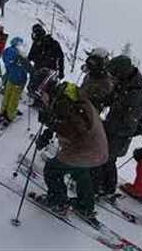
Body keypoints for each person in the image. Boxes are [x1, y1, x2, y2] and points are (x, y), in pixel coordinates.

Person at [34, 71, 109, 218]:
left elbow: (76, 130)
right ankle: (85, 205)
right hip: (97, 148)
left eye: (40, 93)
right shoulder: (68, 94)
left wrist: (51, 123)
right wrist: (49, 132)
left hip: (86, 148)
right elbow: (65, 121)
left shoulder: (63, 102)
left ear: (46, 90)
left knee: (52, 169)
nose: (40, 98)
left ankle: (58, 203)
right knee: (80, 170)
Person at [92, 55, 142, 197]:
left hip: (119, 135)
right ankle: (103, 186)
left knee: (107, 158)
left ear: (123, 71)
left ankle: (104, 187)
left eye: (115, 73)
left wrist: (108, 126)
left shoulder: (136, 94)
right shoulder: (125, 83)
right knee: (105, 158)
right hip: (112, 128)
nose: (113, 76)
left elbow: (130, 125)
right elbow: (113, 98)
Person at [0, 37, 31, 125]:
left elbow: (6, 61)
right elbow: (29, 68)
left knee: (7, 96)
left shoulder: (8, 51)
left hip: (11, 78)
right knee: (14, 99)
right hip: (19, 80)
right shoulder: (20, 56)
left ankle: (3, 112)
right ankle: (10, 115)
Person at [80, 48, 114, 113]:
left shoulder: (105, 82)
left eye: (93, 63)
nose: (90, 66)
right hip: (79, 108)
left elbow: (94, 101)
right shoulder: (91, 75)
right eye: (89, 62)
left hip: (88, 114)